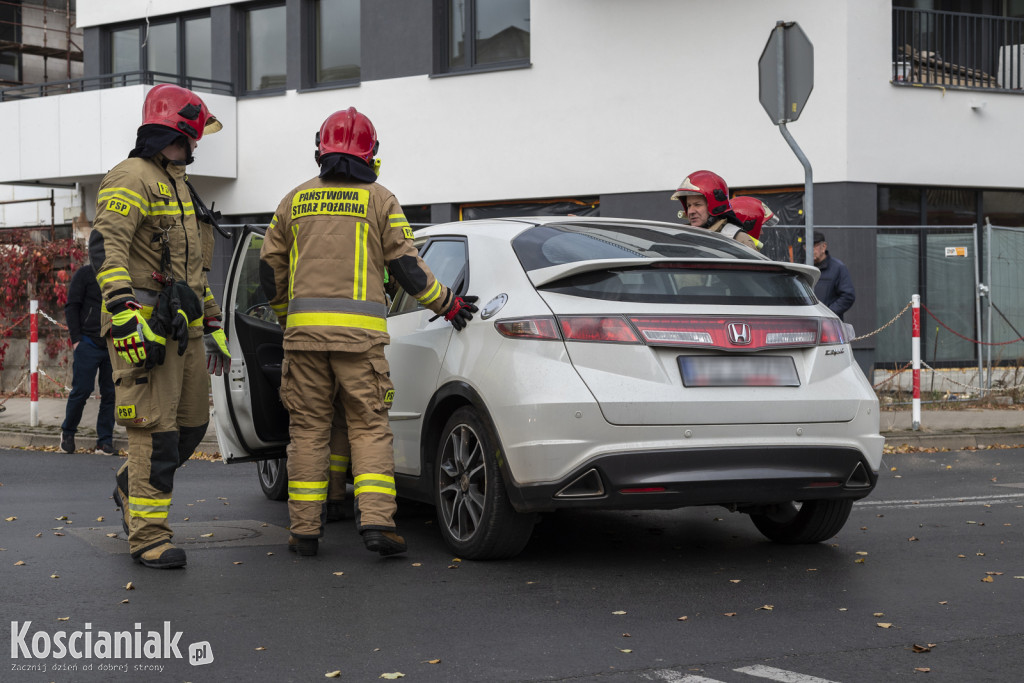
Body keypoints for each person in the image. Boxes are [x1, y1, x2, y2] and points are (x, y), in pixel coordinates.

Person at [260, 107, 477, 558]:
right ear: (370, 152)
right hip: (359, 343)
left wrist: (287, 317)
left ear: (320, 149)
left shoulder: (294, 200)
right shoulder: (379, 200)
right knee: (369, 428)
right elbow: (406, 267)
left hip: (303, 341)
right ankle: (377, 522)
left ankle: (304, 531)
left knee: (307, 431)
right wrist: (448, 303)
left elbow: (268, 269)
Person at [88, 83, 231, 569]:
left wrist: (211, 322)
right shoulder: (132, 177)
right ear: (181, 129)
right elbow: (104, 248)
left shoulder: (178, 185)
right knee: (153, 430)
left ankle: (131, 486)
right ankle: (148, 537)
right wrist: (123, 314)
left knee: (190, 428)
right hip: (144, 328)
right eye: (197, 134)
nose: (199, 144)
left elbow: (191, 272)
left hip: (183, 329)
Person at [60, 263, 115, 455]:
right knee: (82, 390)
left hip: (113, 344)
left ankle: (105, 441)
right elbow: (72, 306)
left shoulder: (121, 273)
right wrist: (76, 340)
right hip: (87, 343)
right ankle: (67, 433)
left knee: (111, 394)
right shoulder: (84, 274)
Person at [670, 170, 759, 250]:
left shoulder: (738, 240)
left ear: (715, 206)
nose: (691, 211)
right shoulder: (680, 238)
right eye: (689, 205)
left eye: (697, 205)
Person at [812, 231, 856, 320]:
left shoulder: (838, 268)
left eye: (814, 246)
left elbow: (848, 296)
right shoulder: (804, 267)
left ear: (823, 246)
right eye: (806, 246)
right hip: (808, 322)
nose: (810, 249)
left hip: (830, 324)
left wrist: (828, 313)